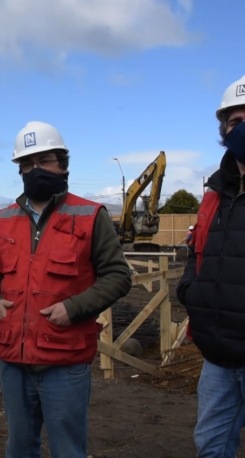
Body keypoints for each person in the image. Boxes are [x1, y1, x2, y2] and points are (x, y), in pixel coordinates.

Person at [0, 121, 132, 458]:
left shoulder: (91, 215)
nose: (35, 170)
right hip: (13, 362)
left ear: (63, 164)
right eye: (27, 164)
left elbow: (118, 276)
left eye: (44, 160)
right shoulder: (3, 219)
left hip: (64, 362)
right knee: (19, 448)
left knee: (67, 451)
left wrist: (73, 308)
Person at [177, 74, 245, 457]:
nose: (243, 129)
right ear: (224, 130)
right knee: (212, 448)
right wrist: (191, 291)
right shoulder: (215, 193)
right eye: (236, 122)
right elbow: (196, 250)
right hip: (217, 356)